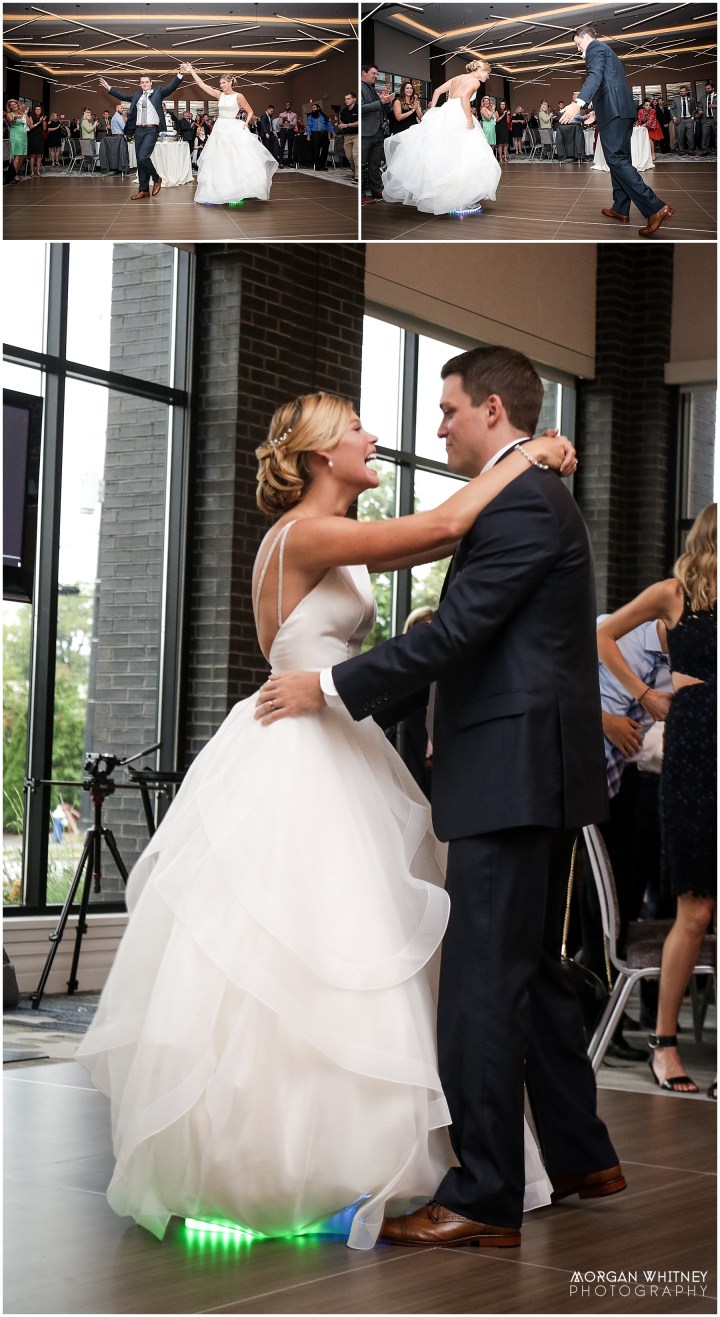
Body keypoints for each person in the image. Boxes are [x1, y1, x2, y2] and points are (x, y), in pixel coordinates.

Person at [75, 391, 575, 1247]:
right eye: (354, 428)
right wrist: (526, 456)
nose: (372, 434)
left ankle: (370, 1152)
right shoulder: (304, 535)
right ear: (317, 456)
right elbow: (445, 526)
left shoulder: (328, 538)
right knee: (298, 945)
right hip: (297, 744)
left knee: (357, 939)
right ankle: (281, 1158)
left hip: (336, 732)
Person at [257, 347, 625, 1249]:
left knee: (482, 980)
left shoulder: (522, 498)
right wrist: (535, 452)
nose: (434, 426)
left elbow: (460, 630)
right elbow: (450, 558)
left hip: (509, 769)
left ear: (492, 409)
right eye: (358, 427)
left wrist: (337, 687)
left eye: (449, 408)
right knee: (528, 971)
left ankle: (484, 1194)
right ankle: (580, 1154)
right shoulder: (521, 490)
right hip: (514, 765)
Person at [597, 505, 716, 1098]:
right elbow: (603, 632)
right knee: (694, 908)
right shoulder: (676, 593)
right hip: (696, 753)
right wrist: (644, 692)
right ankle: (664, 1046)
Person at [560, 23, 673, 236]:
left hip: (615, 112)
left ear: (584, 37)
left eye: (577, 43)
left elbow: (594, 76)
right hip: (619, 110)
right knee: (620, 159)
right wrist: (595, 112)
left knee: (616, 160)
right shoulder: (604, 50)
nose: (577, 49)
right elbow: (606, 83)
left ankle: (655, 208)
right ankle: (621, 208)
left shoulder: (595, 48)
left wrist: (579, 102)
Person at [381, 61, 501, 216]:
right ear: (479, 69)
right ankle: (460, 198)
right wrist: (470, 121)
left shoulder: (457, 78)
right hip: (459, 115)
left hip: (445, 113)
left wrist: (432, 111)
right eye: (488, 72)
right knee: (464, 156)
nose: (488, 76)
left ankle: (445, 196)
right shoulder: (475, 81)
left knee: (444, 154)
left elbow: (437, 91)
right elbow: (464, 98)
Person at [182, 66, 277, 205]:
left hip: (233, 128)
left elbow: (250, 111)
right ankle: (221, 191)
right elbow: (201, 85)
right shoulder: (219, 95)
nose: (221, 85)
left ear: (231, 82)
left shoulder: (239, 96)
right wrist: (191, 71)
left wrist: (245, 124)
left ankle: (237, 190)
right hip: (220, 128)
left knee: (235, 159)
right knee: (220, 160)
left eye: (224, 83)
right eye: (220, 83)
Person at [98, 68, 185, 200]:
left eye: (146, 82)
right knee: (140, 161)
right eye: (142, 82)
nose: (144, 84)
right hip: (138, 130)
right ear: (140, 84)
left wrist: (180, 74)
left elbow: (171, 87)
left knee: (143, 157)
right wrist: (109, 87)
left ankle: (157, 178)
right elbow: (122, 96)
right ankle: (144, 190)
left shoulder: (158, 93)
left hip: (152, 130)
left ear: (151, 82)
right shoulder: (137, 95)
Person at [305, 103, 334, 171]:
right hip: (315, 134)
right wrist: (308, 135)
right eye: (312, 108)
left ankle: (322, 165)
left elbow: (328, 125)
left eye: (314, 107)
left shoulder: (324, 116)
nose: (313, 109)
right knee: (316, 151)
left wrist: (333, 132)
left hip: (324, 134)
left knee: (325, 150)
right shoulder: (310, 117)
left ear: (318, 108)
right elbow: (309, 126)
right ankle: (317, 166)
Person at [338, 92, 358, 180]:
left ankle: (358, 176)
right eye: (345, 99)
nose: (346, 100)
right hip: (347, 136)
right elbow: (341, 121)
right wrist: (341, 125)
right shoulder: (343, 111)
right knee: (349, 156)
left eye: (348, 99)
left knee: (356, 155)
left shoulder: (359, 109)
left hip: (357, 135)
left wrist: (348, 125)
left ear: (354, 99)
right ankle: (354, 172)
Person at [637, 99, 662, 163]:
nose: (648, 106)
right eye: (646, 105)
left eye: (649, 105)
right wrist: (638, 125)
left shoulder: (653, 111)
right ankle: (645, 154)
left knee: (649, 139)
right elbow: (639, 120)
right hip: (644, 126)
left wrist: (641, 126)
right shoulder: (640, 111)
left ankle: (652, 153)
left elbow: (650, 121)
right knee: (644, 139)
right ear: (643, 106)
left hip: (653, 126)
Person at [27, 104, 47, 176]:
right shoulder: (31, 117)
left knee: (39, 154)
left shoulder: (43, 118)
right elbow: (31, 127)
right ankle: (32, 170)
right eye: (36, 109)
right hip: (33, 136)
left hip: (40, 137)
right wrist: (39, 121)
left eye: (39, 109)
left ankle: (38, 170)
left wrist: (44, 121)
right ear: (34, 110)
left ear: (41, 111)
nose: (38, 111)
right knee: (32, 155)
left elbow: (44, 129)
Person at [277, 101, 297, 166]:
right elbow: (280, 124)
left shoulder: (294, 114)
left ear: (291, 106)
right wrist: (283, 120)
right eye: (286, 105)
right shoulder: (281, 114)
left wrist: (288, 121)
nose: (287, 106)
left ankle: (290, 162)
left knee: (290, 147)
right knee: (282, 146)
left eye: (288, 105)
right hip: (283, 131)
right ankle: (281, 162)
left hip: (291, 131)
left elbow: (294, 123)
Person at [495, 99, 511, 164]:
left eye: (504, 104)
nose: (503, 105)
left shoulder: (506, 112)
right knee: (500, 144)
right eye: (501, 104)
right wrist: (503, 114)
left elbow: (507, 121)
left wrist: (507, 115)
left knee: (505, 143)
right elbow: (497, 120)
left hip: (505, 128)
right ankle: (500, 158)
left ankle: (505, 157)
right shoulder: (497, 111)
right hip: (499, 128)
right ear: (499, 105)